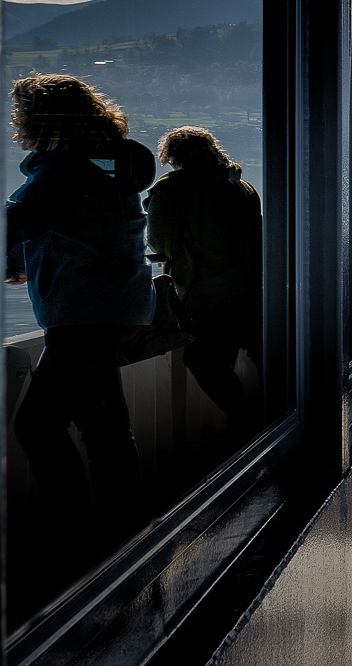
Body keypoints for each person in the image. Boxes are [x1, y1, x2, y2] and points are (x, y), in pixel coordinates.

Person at [4, 74, 158, 538]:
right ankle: (121, 532)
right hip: (114, 306)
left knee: (38, 426)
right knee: (103, 425)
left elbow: (19, 220)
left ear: (38, 119)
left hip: (82, 312)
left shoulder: (64, 171)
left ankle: (76, 533)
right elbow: (71, 228)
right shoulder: (108, 165)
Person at [144, 126, 263, 438]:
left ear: (173, 157)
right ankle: (271, 421)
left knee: (203, 361)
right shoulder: (243, 186)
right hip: (254, 290)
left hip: (211, 295)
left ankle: (246, 424)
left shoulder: (171, 190)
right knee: (261, 357)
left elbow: (161, 242)